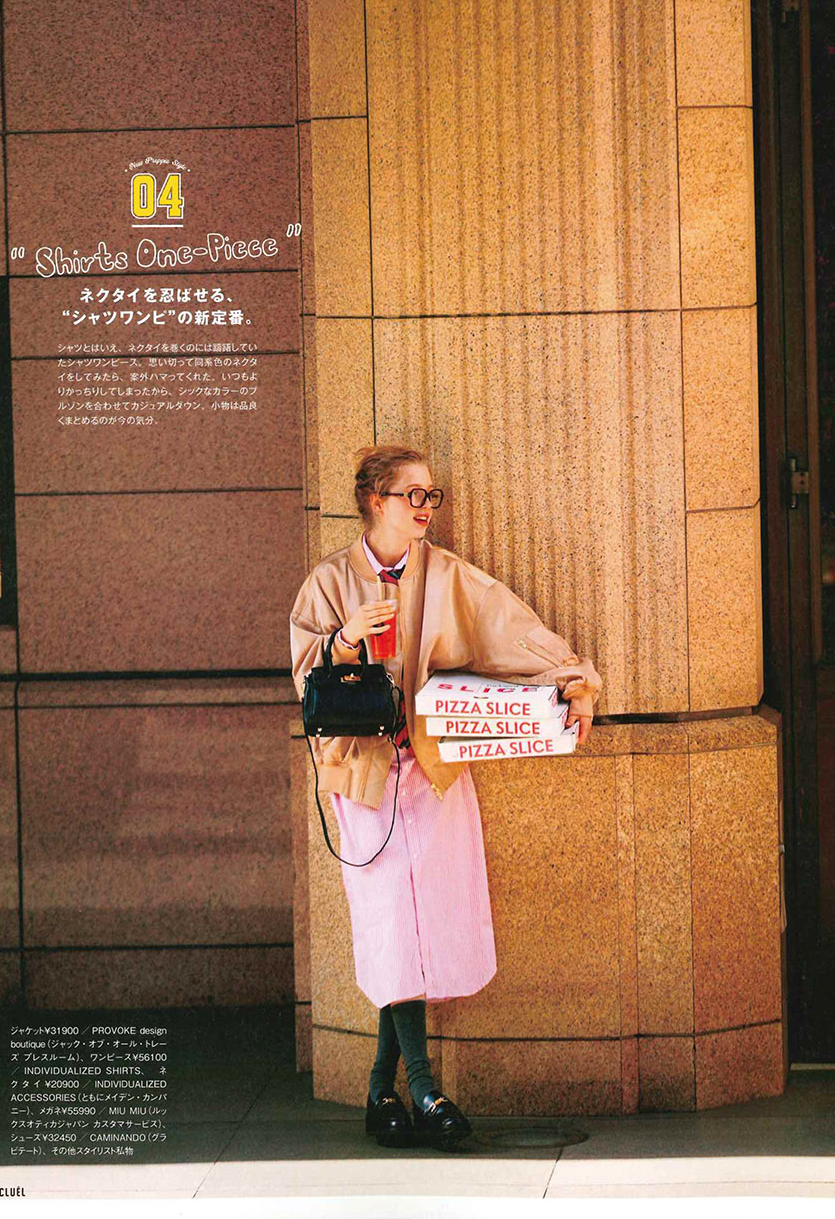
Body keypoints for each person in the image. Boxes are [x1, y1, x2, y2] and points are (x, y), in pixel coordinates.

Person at [290, 445, 601, 1149]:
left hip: (432, 773)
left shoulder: (447, 576)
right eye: (413, 495)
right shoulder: (329, 581)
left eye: (432, 495)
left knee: (421, 927)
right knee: (392, 925)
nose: (426, 507)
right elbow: (304, 675)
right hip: (362, 778)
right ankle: (426, 1090)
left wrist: (576, 684)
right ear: (375, 500)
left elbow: (516, 633)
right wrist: (344, 639)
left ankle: (382, 1091)